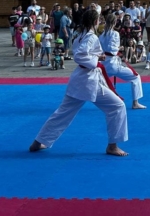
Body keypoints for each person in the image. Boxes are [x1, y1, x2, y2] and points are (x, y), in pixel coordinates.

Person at [29, 9, 128, 157]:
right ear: (95, 21)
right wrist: (97, 60)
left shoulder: (80, 35)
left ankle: (38, 142)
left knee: (62, 113)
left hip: (80, 80)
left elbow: (82, 54)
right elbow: (80, 56)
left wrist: (96, 57)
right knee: (117, 106)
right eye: (98, 19)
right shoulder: (91, 37)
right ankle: (112, 146)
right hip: (89, 81)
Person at [99, 13, 146, 109]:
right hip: (113, 64)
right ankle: (135, 103)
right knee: (135, 77)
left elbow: (101, 49)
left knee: (100, 83)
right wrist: (119, 48)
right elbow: (112, 50)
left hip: (104, 65)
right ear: (115, 22)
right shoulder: (115, 33)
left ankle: (106, 101)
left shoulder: (102, 35)